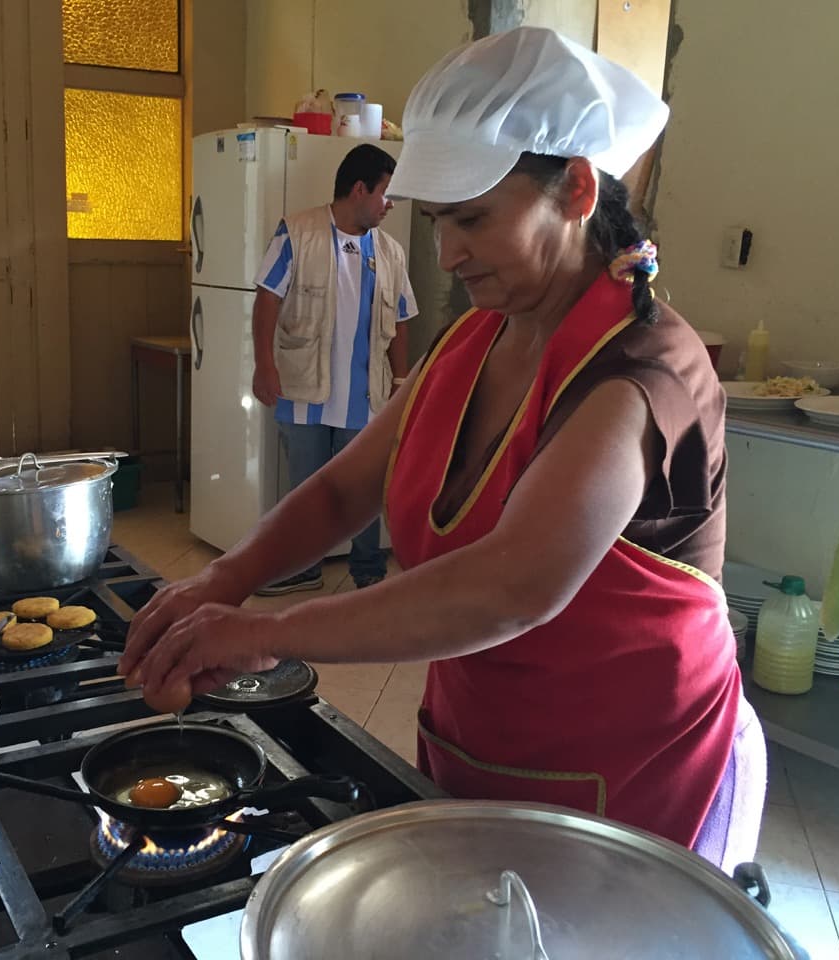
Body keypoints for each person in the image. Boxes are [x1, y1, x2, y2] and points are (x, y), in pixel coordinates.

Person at [122, 27, 765, 872]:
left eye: (472, 218)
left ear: (575, 189)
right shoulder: (475, 339)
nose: (448, 252)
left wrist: (268, 632)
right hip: (481, 743)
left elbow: (509, 589)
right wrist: (222, 579)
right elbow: (340, 492)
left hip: (634, 772)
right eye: (434, 222)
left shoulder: (640, 373)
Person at [251, 144, 417, 594]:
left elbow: (401, 319)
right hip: (301, 385)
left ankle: (368, 571)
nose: (390, 205)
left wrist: (401, 381)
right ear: (359, 189)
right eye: (386, 194)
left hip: (366, 395)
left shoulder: (390, 252)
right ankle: (302, 568)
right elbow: (268, 297)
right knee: (305, 490)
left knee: (363, 487)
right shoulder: (297, 231)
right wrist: (264, 364)